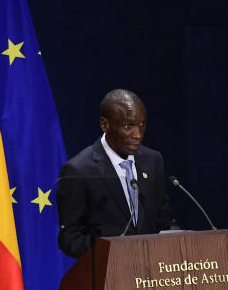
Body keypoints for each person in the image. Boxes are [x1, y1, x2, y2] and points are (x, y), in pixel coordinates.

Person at [56, 88, 177, 259]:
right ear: (104, 124)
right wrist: (115, 255)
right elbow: (70, 238)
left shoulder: (152, 160)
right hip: (108, 276)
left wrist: (179, 240)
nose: (137, 135)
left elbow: (163, 220)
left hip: (151, 273)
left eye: (142, 125)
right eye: (128, 126)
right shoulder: (78, 170)